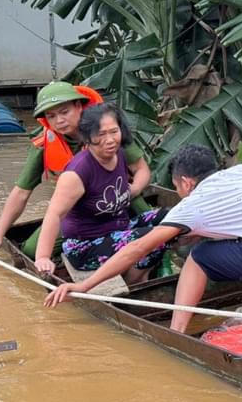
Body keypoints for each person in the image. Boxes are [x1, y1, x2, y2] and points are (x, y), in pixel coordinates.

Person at [45, 144, 242, 333]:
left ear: (186, 183)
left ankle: (177, 330)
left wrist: (84, 284)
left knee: (199, 258)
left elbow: (137, 248)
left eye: (177, 187)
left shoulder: (193, 203)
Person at [0, 81, 151, 258]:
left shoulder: (108, 131)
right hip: (78, 214)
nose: (59, 121)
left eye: (64, 112)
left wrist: (133, 190)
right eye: (51, 116)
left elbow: (141, 169)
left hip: (119, 199)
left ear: (78, 106)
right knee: (30, 250)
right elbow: (21, 192)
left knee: (155, 230)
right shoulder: (43, 145)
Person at [33, 104, 164, 283]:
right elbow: (54, 214)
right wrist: (42, 257)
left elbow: (142, 170)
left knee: (172, 218)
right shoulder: (77, 173)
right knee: (155, 236)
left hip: (118, 228)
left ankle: (139, 274)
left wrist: (132, 190)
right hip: (86, 246)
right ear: (87, 137)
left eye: (114, 131)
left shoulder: (120, 153)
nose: (110, 140)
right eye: (101, 134)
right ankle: (134, 283)